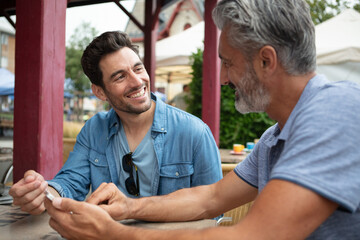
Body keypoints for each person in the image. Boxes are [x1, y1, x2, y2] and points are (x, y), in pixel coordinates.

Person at [45, 0, 360, 239]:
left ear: (266, 60)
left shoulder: (336, 109)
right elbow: (211, 196)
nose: (222, 78)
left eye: (227, 62)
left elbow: (251, 235)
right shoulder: (273, 138)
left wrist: (115, 233)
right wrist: (128, 207)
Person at [9, 31, 222, 215]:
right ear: (100, 91)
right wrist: (41, 193)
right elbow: (71, 182)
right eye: (120, 77)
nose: (137, 82)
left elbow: (214, 209)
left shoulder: (195, 132)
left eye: (138, 69)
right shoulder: (94, 130)